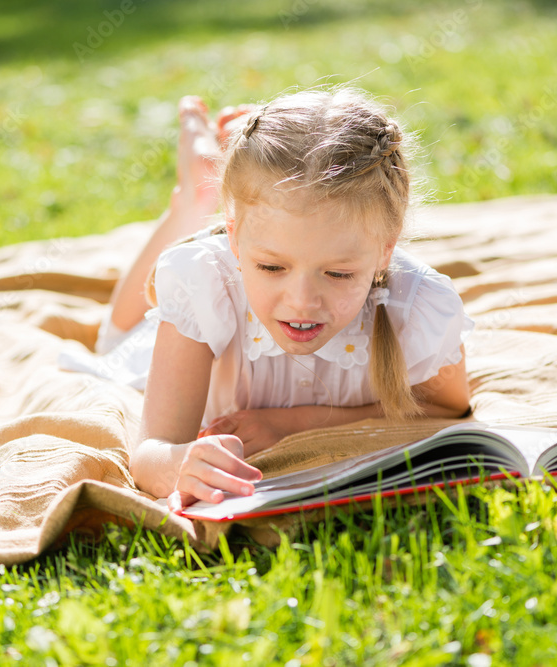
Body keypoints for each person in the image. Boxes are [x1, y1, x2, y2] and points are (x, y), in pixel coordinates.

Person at [58, 87, 473, 510]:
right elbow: (153, 451)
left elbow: (448, 409)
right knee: (116, 338)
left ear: (387, 248)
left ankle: (229, 176)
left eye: (338, 273)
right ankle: (197, 197)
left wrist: (297, 424)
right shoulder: (205, 284)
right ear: (234, 235)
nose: (302, 302)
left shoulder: (417, 306)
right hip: (152, 342)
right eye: (272, 268)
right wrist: (179, 463)